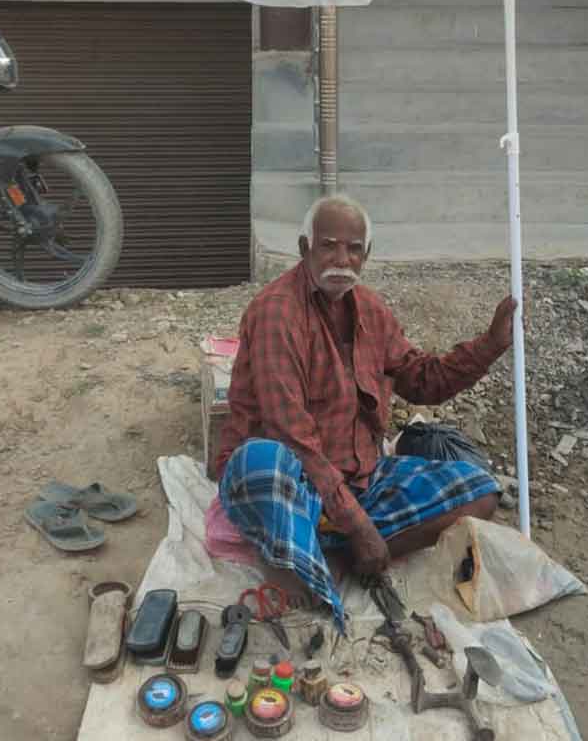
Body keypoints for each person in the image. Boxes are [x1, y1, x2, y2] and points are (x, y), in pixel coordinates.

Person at [213, 195, 516, 630]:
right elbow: (290, 435)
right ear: (305, 248)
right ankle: (329, 545)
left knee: (479, 490)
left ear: (367, 254)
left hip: (357, 481)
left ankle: (335, 557)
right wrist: (358, 525)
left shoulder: (371, 310)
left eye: (354, 248)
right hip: (292, 482)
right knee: (261, 462)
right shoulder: (277, 312)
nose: (342, 259)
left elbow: (423, 380)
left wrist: (491, 345)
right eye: (328, 246)